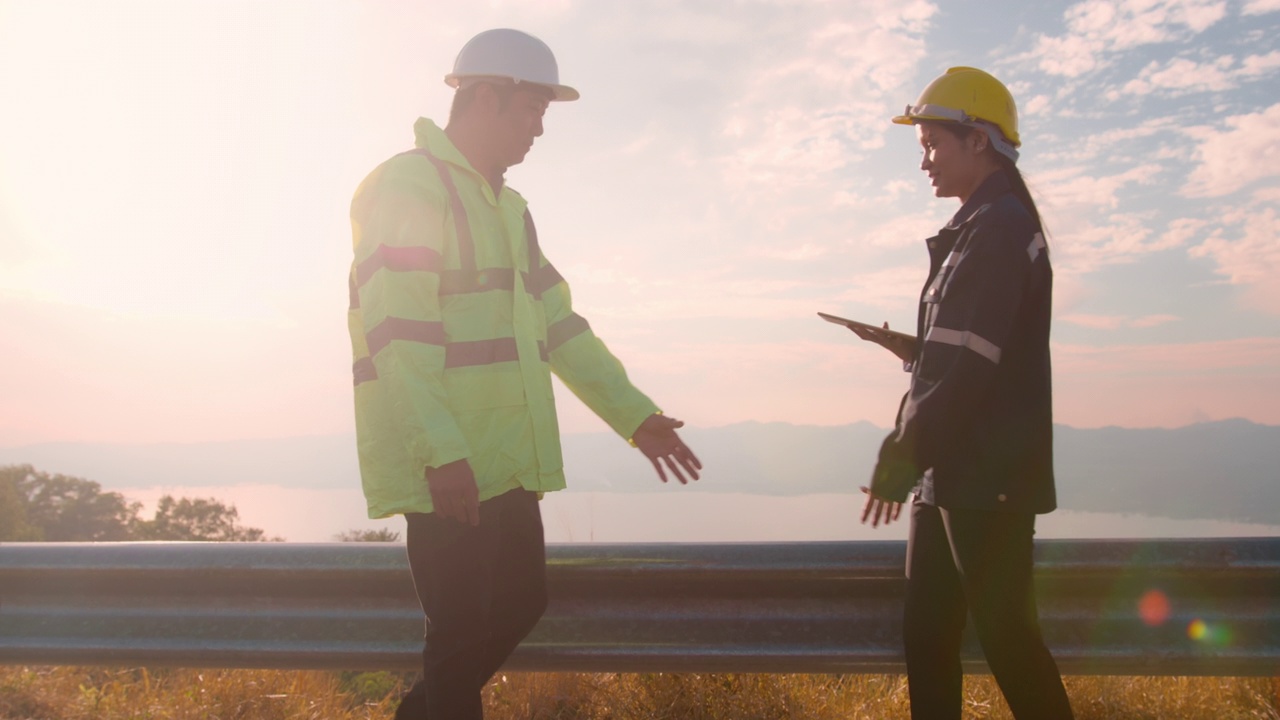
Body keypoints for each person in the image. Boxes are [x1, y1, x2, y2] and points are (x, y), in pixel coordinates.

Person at [345, 28, 702, 719]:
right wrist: (440, 451)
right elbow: (398, 334)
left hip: (503, 460)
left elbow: (560, 326)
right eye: (532, 109)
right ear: (485, 98)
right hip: (450, 465)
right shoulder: (407, 186)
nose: (541, 128)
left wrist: (635, 415)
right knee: (459, 637)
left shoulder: (509, 208)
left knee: (518, 605)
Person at [854, 67, 1074, 719]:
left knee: (1008, 641)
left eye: (932, 144)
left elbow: (968, 368)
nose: (924, 161)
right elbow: (968, 353)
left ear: (977, 140)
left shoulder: (999, 226)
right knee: (927, 640)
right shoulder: (980, 225)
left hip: (986, 474)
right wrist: (912, 352)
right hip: (953, 470)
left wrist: (899, 456)